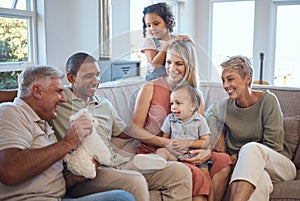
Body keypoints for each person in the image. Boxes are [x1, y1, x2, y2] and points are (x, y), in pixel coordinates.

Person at [50, 52, 193, 201]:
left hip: (117, 162)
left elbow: (125, 132)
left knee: (180, 172)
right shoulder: (58, 102)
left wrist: (155, 133)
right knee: (135, 181)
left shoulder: (104, 104)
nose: (95, 81)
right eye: (88, 76)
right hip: (87, 173)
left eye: (97, 75)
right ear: (71, 78)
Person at [0, 66, 135, 201]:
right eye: (58, 92)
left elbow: (52, 181)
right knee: (122, 198)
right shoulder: (11, 112)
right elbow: (10, 170)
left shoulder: (44, 124)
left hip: (58, 197)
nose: (64, 99)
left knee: (122, 196)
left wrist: (76, 177)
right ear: (37, 91)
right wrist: (69, 142)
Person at [133, 40, 232, 201]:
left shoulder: (196, 95)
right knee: (197, 174)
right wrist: (166, 143)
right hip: (157, 150)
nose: (172, 68)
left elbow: (200, 132)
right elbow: (135, 129)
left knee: (224, 161)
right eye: (168, 62)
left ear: (189, 65)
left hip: (187, 148)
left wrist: (205, 152)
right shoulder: (149, 88)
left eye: (178, 63)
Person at [206, 55, 297, 200]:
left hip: (279, 166)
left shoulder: (268, 101)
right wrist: (221, 133)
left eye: (230, 79)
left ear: (247, 78)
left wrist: (239, 156)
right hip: (248, 171)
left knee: (250, 148)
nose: (225, 85)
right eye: (223, 80)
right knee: (260, 184)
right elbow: (209, 114)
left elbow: (274, 146)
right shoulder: (225, 105)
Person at [155, 83, 214, 201]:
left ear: (192, 106)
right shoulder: (170, 119)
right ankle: (155, 163)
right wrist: (170, 145)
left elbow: (206, 142)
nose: (173, 107)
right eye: (172, 103)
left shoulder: (199, 120)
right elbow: (164, 139)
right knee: (161, 151)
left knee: (206, 177)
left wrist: (187, 143)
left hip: (195, 155)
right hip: (176, 155)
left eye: (178, 103)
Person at [142, 2, 191, 81]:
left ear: (167, 22)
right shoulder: (150, 43)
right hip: (154, 84)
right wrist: (167, 44)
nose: (152, 28)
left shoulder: (176, 40)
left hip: (173, 82)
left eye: (156, 23)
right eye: (148, 25)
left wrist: (188, 41)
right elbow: (155, 64)